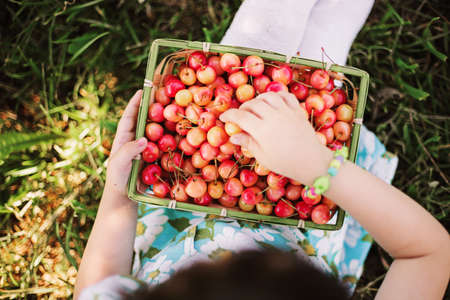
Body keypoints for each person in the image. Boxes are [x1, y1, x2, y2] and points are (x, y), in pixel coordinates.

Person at [74, 1, 450, 299]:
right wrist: (318, 164)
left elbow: (100, 280)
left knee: (259, 53)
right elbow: (431, 253)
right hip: (303, 200)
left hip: (181, 199)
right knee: (319, 75)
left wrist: (119, 196)